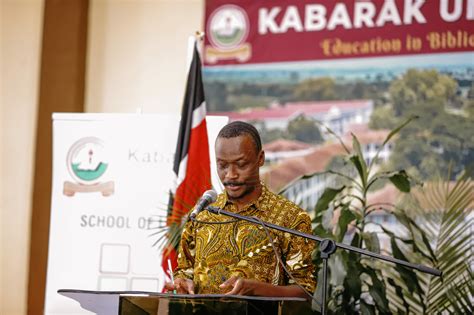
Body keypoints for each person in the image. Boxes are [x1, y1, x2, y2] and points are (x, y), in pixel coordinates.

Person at [165, 121, 316, 297]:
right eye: (222, 165)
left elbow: (305, 292)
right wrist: (183, 282)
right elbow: (185, 270)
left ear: (260, 159)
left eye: (241, 164)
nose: (230, 175)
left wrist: (257, 289)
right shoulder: (203, 214)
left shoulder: (291, 218)